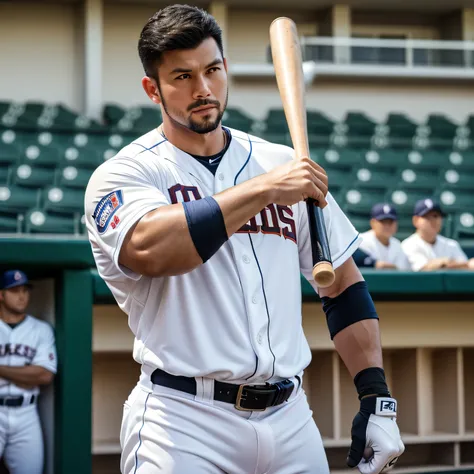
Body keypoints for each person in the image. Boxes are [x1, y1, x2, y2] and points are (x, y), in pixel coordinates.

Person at [85, 5, 404, 473]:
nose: (203, 89)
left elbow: (342, 286)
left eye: (212, 70)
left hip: (291, 415)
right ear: (152, 89)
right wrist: (267, 188)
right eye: (182, 77)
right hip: (184, 420)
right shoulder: (128, 172)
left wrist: (376, 394)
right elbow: (153, 249)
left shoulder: (278, 160)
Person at [0, 270, 57, 474]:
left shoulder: (41, 329)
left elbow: (43, 375)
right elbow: (33, 374)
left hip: (26, 412)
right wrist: (24, 374)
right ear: (1, 295)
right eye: (14, 290)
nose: (22, 295)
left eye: (25, 289)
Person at [402, 198, 474, 272]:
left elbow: (466, 268)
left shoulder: (451, 244)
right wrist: (445, 262)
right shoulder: (408, 245)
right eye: (427, 216)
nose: (433, 220)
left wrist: (444, 264)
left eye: (436, 216)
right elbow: (423, 269)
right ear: (415, 220)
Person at [359, 204, 410, 270]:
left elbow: (402, 271)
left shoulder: (396, 244)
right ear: (372, 222)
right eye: (383, 222)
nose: (387, 226)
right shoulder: (361, 241)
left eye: (390, 222)